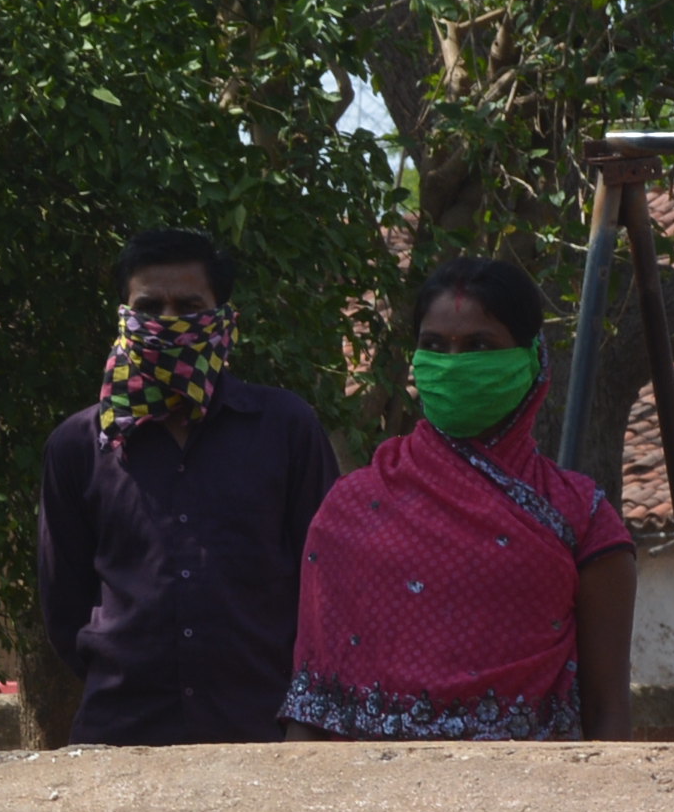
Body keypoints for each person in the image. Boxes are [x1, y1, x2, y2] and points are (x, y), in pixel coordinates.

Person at [282, 256, 637, 741]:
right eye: (434, 346)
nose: (453, 364)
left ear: (532, 357)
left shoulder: (581, 518)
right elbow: (311, 709)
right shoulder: (352, 507)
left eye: (478, 346)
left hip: (531, 805)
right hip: (372, 804)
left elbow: (609, 712)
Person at [33, 228, 337, 745]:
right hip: (121, 736)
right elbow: (64, 605)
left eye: (189, 305)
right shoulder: (80, 445)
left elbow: (328, 583)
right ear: (125, 317)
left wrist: (305, 724)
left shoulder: (285, 427)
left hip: (261, 735)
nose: (168, 322)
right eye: (150, 306)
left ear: (223, 316)